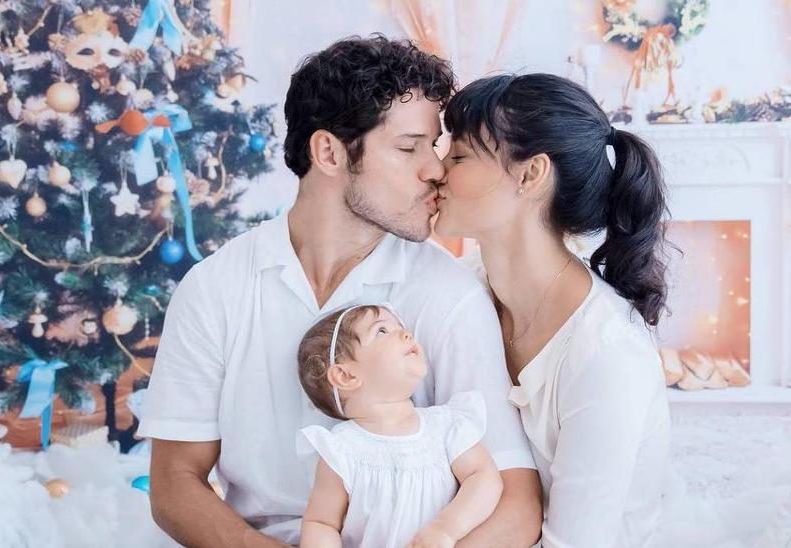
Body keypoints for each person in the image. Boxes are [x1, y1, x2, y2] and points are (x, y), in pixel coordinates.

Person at [139, 37, 542, 547]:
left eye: (435, 146)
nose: (436, 170)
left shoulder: (448, 293)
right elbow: (174, 483)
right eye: (408, 148)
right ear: (329, 152)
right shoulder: (215, 287)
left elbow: (516, 502)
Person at [435, 73, 671, 547]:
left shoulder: (607, 353)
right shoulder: (459, 289)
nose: (434, 170)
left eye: (457, 156)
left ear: (530, 174)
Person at [297, 303, 502, 547]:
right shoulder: (340, 451)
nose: (407, 334)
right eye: (382, 331)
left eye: (400, 327)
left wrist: (445, 529)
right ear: (346, 376)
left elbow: (484, 477)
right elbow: (322, 523)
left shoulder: (445, 426)